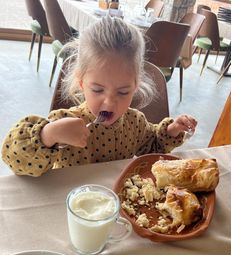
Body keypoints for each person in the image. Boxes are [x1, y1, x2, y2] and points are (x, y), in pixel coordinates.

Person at [1, 16, 197, 177]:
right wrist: (48, 135)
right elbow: (14, 159)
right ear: (81, 82)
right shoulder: (65, 122)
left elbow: (153, 146)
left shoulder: (136, 123)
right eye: (97, 90)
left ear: (136, 86)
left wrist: (171, 130)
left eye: (123, 92)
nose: (110, 102)